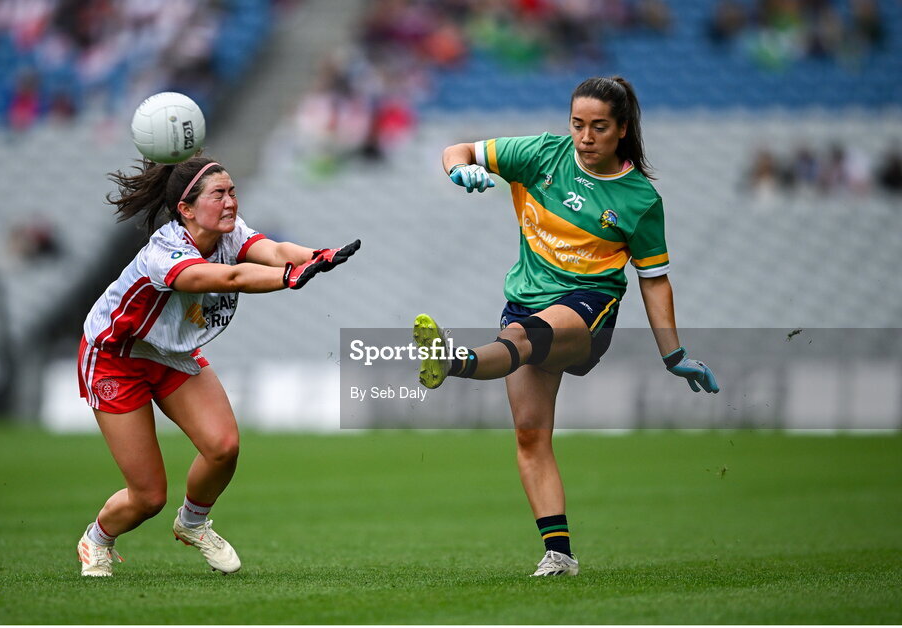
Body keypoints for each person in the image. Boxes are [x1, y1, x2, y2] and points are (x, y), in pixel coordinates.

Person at [414, 76, 718, 577]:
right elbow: (459, 149)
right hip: (525, 303)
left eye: (599, 127)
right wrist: (459, 171)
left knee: (519, 339)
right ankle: (559, 555)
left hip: (588, 309)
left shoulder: (639, 200)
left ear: (622, 129)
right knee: (531, 435)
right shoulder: (540, 155)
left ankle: (451, 361)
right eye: (577, 124)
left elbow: (654, 282)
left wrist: (674, 356)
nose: (585, 137)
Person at [76, 155, 360, 577]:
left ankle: (192, 524)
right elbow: (231, 279)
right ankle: (96, 540)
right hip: (116, 358)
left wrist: (315, 255)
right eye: (219, 195)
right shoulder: (165, 253)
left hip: (170, 354)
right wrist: (290, 277)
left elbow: (276, 250)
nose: (230, 203)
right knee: (149, 496)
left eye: (232, 192)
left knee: (223, 447)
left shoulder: (230, 234)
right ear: (187, 210)